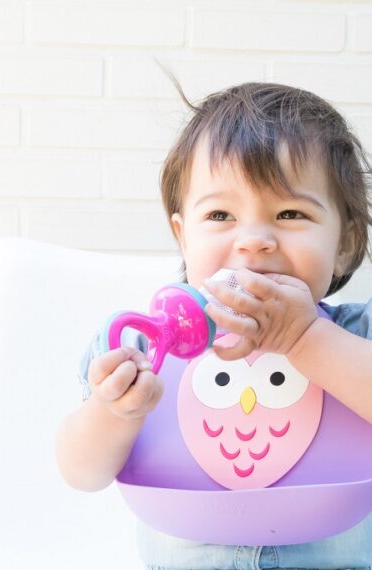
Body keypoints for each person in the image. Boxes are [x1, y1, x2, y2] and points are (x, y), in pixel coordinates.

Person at [56, 81, 372, 569]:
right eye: (221, 214)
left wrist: (305, 338)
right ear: (183, 237)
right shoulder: (141, 346)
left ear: (345, 243)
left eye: (290, 213)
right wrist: (113, 411)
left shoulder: (360, 334)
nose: (254, 240)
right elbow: (81, 473)